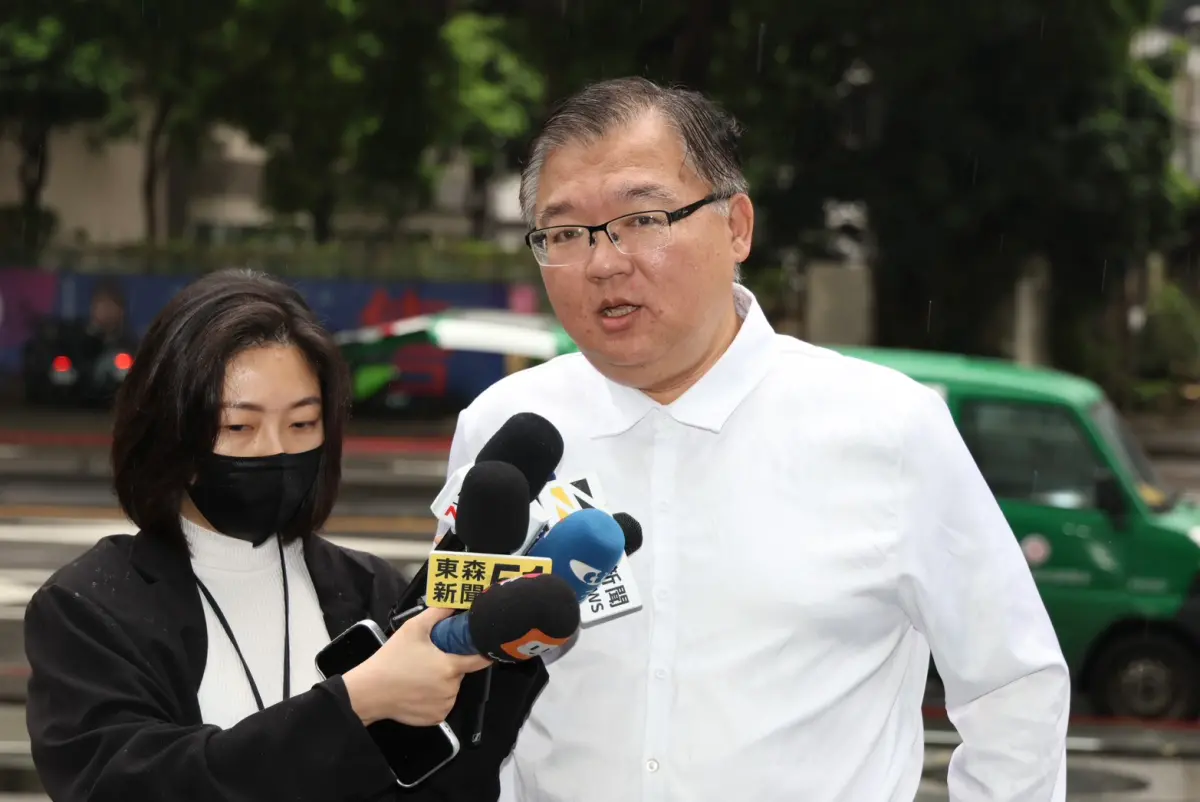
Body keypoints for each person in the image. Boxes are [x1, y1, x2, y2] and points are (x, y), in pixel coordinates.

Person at [438, 77, 1070, 801]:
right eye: (564, 233)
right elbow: (453, 663)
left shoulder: (889, 427)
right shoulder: (505, 426)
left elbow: (1012, 688)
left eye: (642, 219)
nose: (604, 262)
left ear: (736, 227)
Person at [23, 268, 547, 802]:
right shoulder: (88, 609)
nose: (274, 449)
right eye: (238, 427)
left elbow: (442, 789)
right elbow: (131, 785)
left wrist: (499, 667)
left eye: (302, 424)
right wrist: (355, 702)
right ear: (171, 432)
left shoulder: (369, 588)